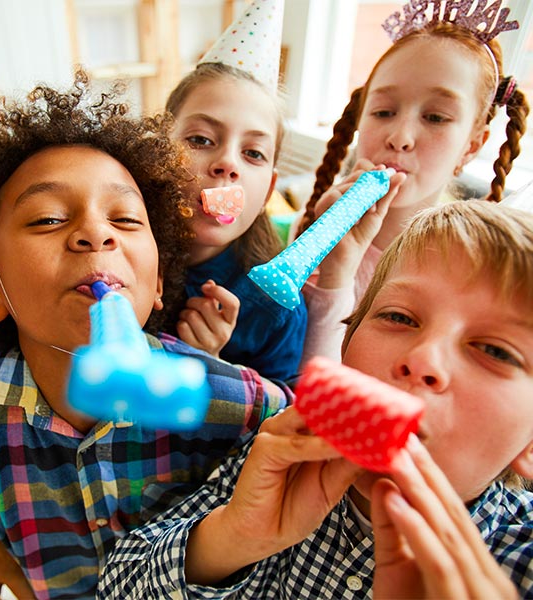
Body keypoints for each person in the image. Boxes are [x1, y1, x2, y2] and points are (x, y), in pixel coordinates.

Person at [0, 71, 292, 599]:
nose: (96, 232)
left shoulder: (238, 403)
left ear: (158, 283)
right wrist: (6, 568)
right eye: (47, 219)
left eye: (126, 220)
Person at [97, 199, 533, 599]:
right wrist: (231, 537)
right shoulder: (282, 452)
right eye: (399, 317)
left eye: (495, 351)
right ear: (346, 349)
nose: (423, 360)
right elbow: (116, 586)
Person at [295, 0, 528, 366]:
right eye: (384, 112)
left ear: (472, 145)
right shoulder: (313, 233)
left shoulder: (465, 270)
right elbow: (294, 381)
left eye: (435, 117)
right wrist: (337, 272)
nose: (400, 137)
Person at [164, 0, 307, 382]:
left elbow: (277, 422)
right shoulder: (114, 249)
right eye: (200, 139)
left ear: (268, 191)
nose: (228, 164)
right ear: (155, 150)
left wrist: (216, 368)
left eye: (252, 153)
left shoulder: (276, 305)